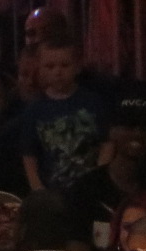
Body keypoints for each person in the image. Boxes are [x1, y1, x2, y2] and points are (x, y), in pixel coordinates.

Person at [64, 98, 146, 251]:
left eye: (144, 128)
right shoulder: (87, 188)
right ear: (112, 132)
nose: (137, 133)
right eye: (129, 126)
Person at [20, 35, 107, 195]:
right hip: (53, 192)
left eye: (65, 65)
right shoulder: (35, 110)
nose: (58, 72)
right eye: (50, 66)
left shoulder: (92, 101)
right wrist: (37, 188)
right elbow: (29, 155)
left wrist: (100, 176)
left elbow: (107, 142)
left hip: (91, 189)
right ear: (40, 69)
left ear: (77, 67)